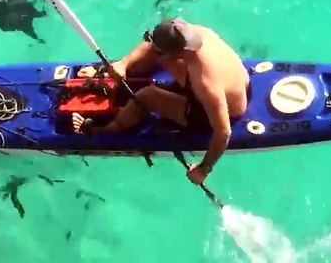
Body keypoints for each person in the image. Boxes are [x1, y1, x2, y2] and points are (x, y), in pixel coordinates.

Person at [71, 17, 248, 186]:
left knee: (147, 96)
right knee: (154, 56)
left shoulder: (205, 82)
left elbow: (223, 132)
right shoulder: (193, 32)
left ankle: (104, 129)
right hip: (236, 81)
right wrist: (124, 64)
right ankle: (117, 70)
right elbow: (152, 45)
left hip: (223, 108)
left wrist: (203, 169)